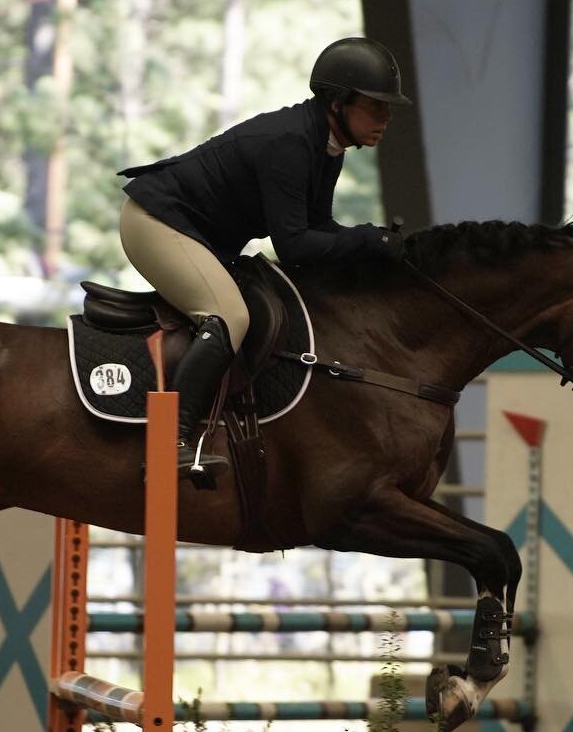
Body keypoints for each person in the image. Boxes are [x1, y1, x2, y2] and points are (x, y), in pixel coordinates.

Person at [117, 36, 410, 482]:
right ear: (337, 101)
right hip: (157, 222)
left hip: (192, 232)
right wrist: (368, 241)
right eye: (376, 106)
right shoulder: (291, 144)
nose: (385, 119)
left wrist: (371, 243)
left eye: (388, 108)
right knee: (228, 316)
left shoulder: (325, 146)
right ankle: (169, 440)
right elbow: (294, 247)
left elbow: (320, 229)